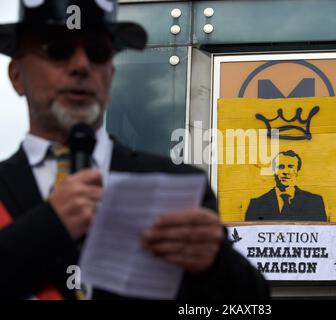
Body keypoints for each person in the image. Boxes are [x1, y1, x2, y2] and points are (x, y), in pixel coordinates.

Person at [0, 0, 269, 300]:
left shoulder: (178, 186)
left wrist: (217, 265)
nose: (81, 66)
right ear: (17, 76)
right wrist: (49, 226)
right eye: (58, 49)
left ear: (111, 77)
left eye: (98, 53)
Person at [246, 150, 327, 222]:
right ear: (274, 171)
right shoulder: (256, 204)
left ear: (297, 171)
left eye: (291, 167)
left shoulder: (314, 202)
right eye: (280, 167)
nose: (285, 172)